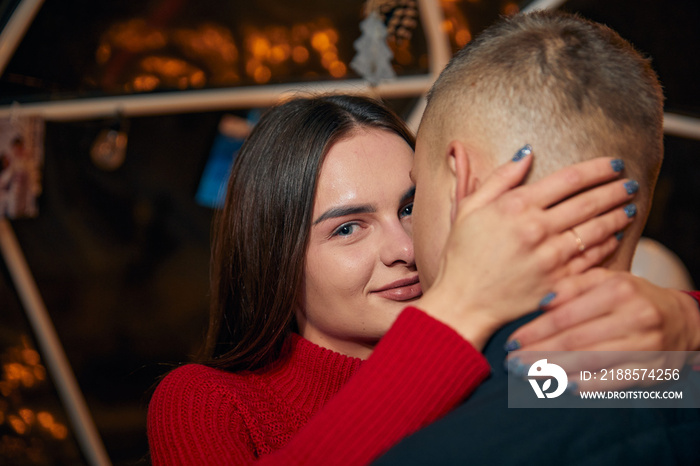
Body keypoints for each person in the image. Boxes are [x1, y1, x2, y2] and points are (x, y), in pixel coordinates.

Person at [147, 93, 640, 464]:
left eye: (410, 207)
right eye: (347, 228)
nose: (404, 249)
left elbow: (667, 391)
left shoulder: (516, 367)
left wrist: (685, 318)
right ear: (273, 257)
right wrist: (457, 309)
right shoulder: (208, 403)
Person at [374, 11, 700, 465]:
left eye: (416, 195)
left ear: (462, 182)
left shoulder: (435, 449)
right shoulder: (684, 385)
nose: (404, 245)